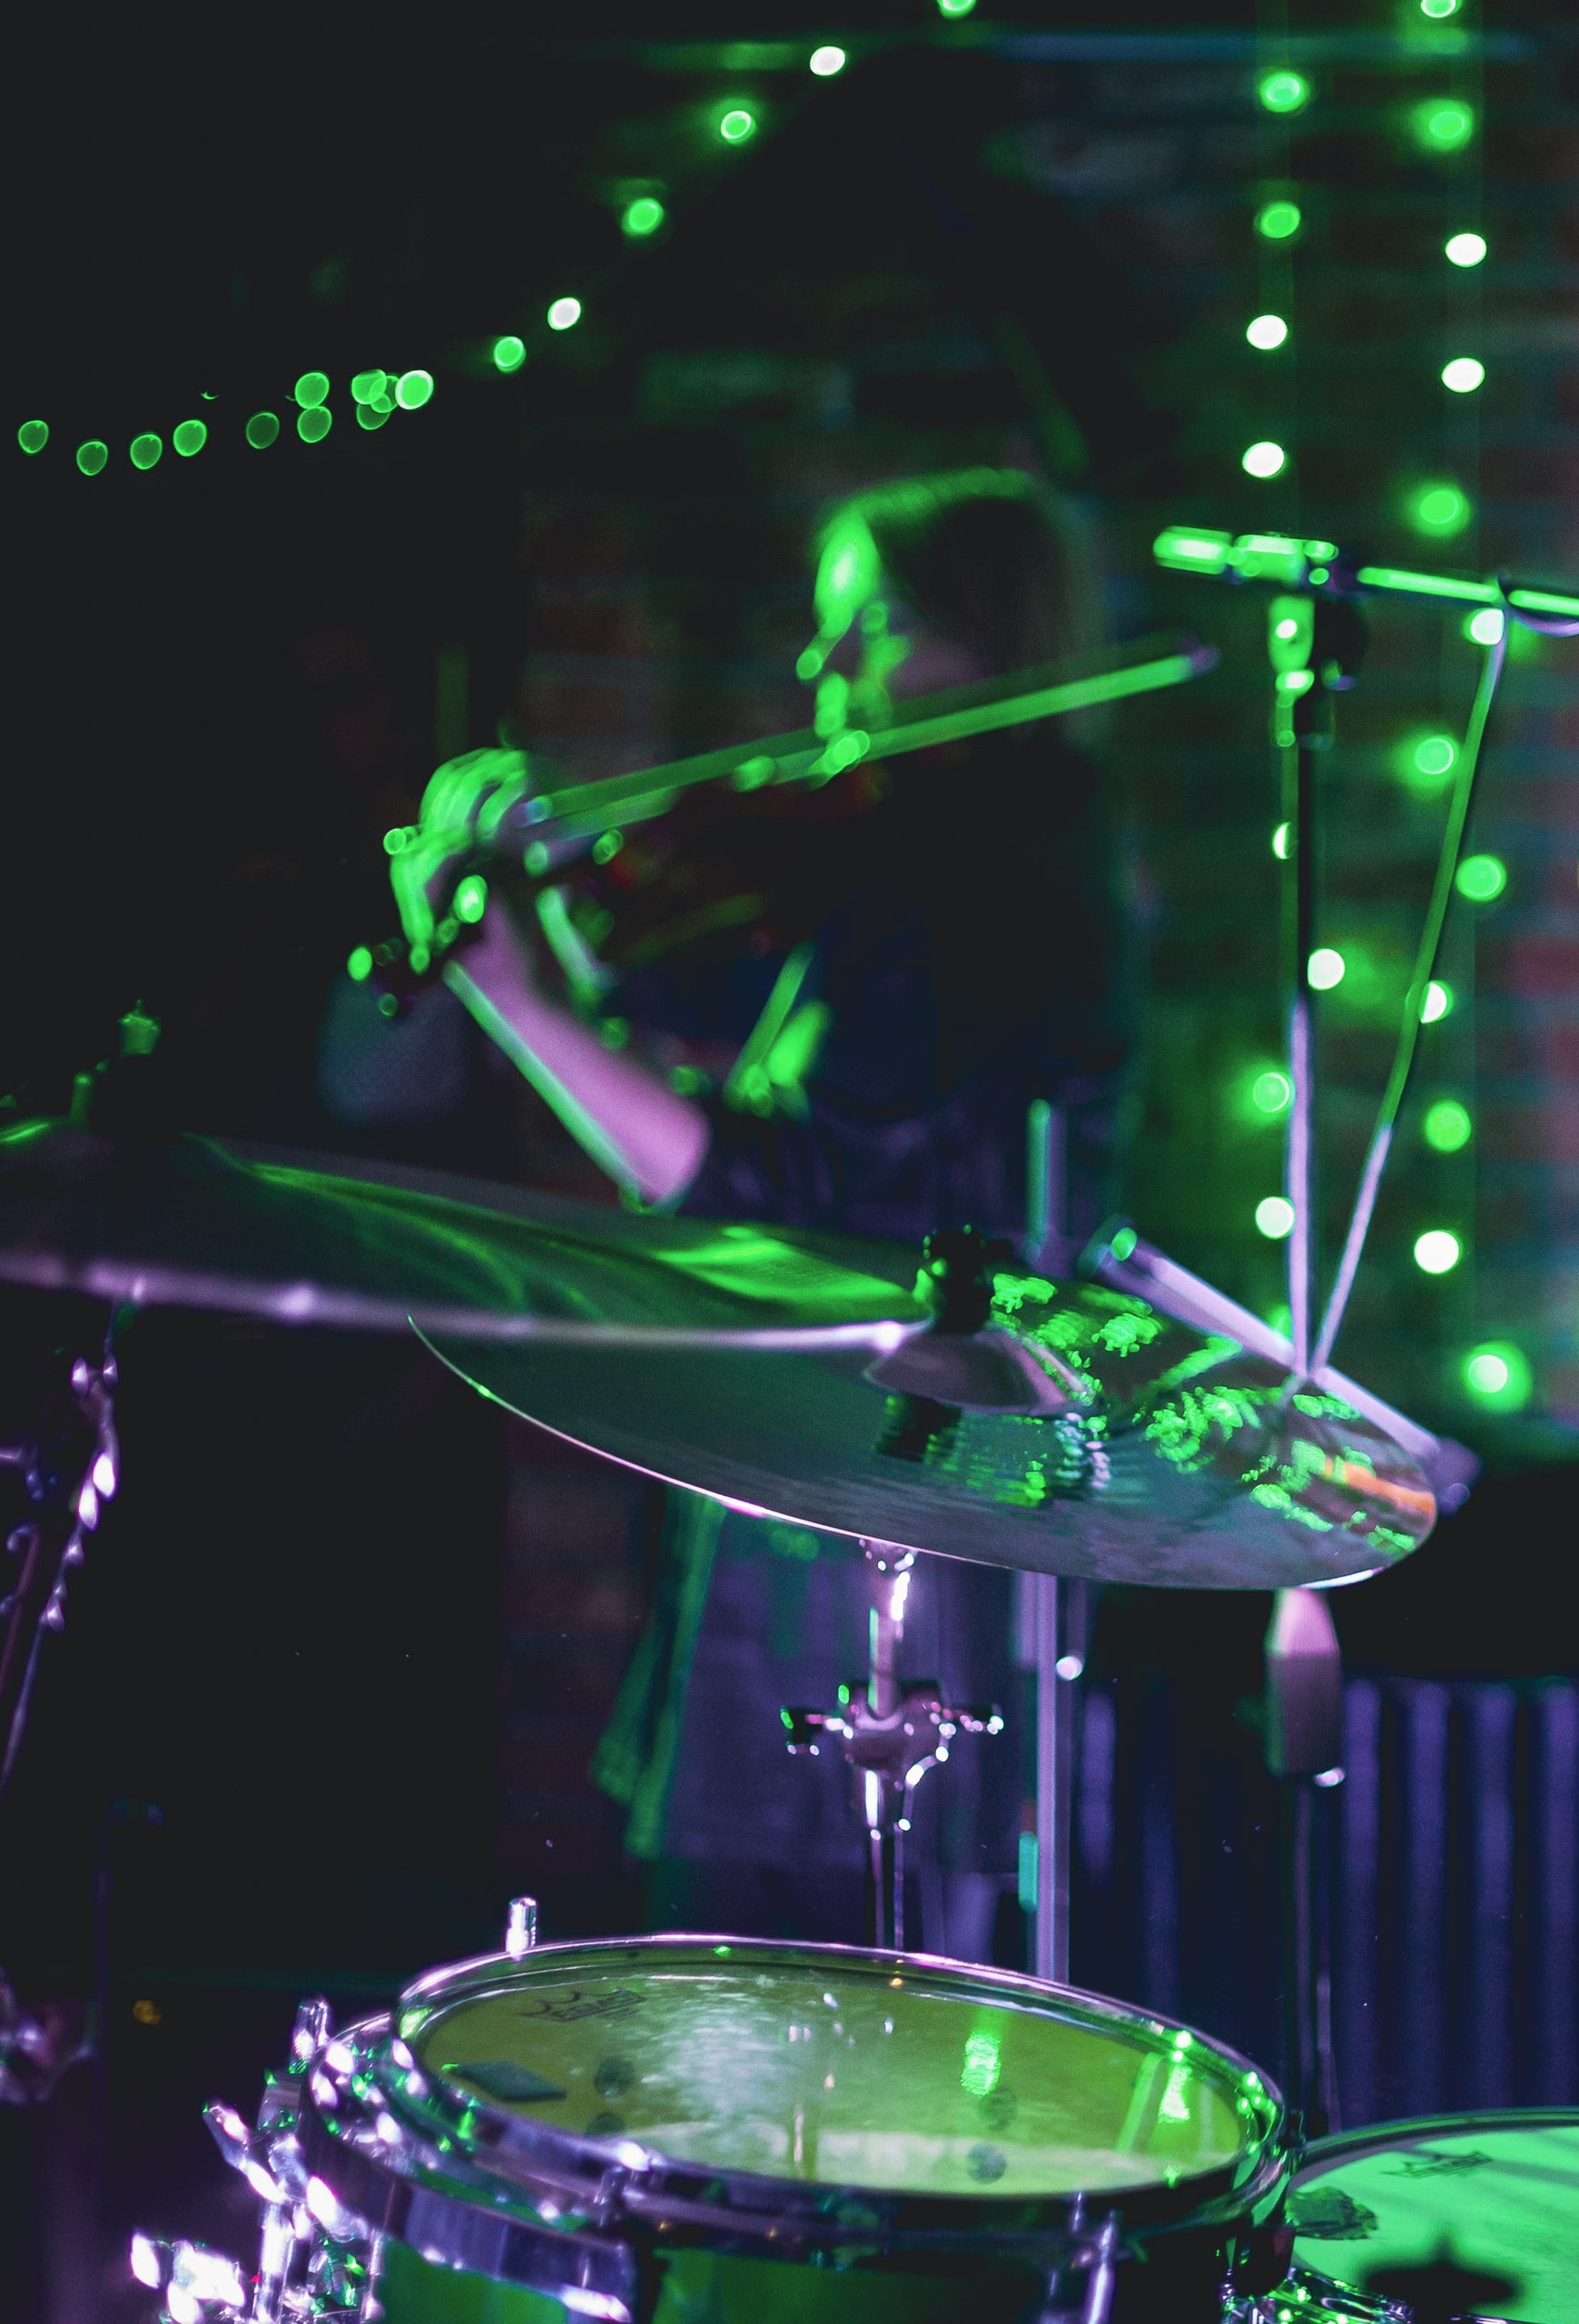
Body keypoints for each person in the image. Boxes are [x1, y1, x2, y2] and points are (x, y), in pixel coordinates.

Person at [396, 468, 1136, 1948]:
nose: (819, 672)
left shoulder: (978, 893)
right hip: (882, 1481)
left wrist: (511, 993)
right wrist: (527, 926)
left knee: (817, 1991)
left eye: (858, 630)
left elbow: (757, 1187)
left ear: (972, 648)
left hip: (894, 1502)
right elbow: (672, 1016)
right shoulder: (942, 871)